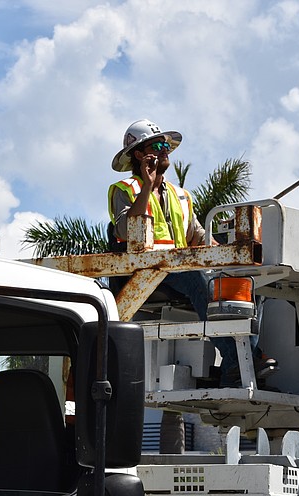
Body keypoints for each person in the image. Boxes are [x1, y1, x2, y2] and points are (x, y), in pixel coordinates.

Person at [107, 119, 276, 386]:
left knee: (250, 280)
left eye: (166, 147)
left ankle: (247, 357)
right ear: (139, 154)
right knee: (199, 279)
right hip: (148, 271)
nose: (165, 151)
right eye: (158, 146)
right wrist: (148, 185)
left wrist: (232, 259)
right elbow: (127, 230)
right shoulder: (125, 190)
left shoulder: (180, 195)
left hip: (179, 266)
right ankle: (235, 362)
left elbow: (198, 237)